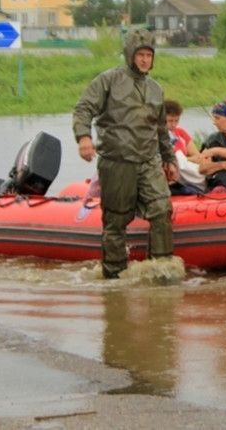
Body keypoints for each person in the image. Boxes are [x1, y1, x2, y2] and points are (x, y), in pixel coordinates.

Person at [73, 28, 178, 279]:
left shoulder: (155, 89)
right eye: (140, 54)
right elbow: (84, 108)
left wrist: (169, 158)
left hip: (148, 160)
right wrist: (84, 137)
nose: (144, 59)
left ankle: (161, 272)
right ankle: (114, 278)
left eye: (149, 55)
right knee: (116, 222)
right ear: (130, 55)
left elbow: (161, 128)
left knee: (162, 210)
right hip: (117, 162)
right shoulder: (108, 80)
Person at [163, 99, 206, 195]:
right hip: (171, 179)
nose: (173, 125)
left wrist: (185, 160)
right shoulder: (160, 137)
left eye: (176, 121)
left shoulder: (181, 133)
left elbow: (198, 157)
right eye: (170, 121)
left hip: (186, 173)